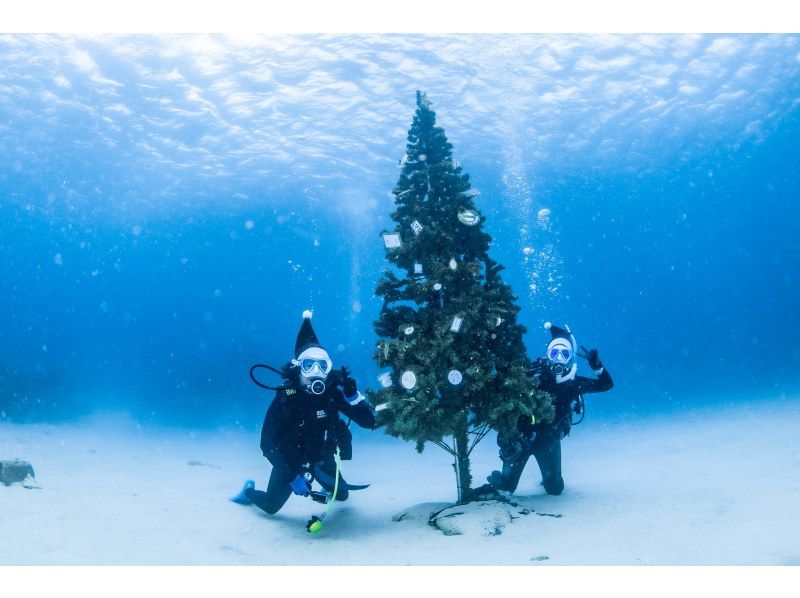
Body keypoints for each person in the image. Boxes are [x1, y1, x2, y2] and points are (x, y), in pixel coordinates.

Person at [231, 310, 375, 514]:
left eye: (322, 366)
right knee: (271, 506)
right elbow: (267, 444)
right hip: (290, 460)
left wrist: (354, 399)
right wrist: (292, 476)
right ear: (298, 367)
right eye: (309, 365)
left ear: (329, 369)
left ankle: (322, 483)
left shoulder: (333, 393)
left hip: (321, 457)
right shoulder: (286, 398)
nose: (316, 372)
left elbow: (369, 422)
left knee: (342, 495)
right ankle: (248, 492)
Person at [487, 322, 613, 496]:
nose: (559, 358)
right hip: (521, 440)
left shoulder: (573, 383)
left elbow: (606, 385)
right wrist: (496, 338)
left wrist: (597, 365)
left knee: (555, 488)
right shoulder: (531, 373)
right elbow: (505, 372)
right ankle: (502, 478)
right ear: (548, 354)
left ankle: (546, 477)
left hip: (548, 442)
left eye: (564, 354)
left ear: (570, 357)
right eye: (554, 353)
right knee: (507, 487)